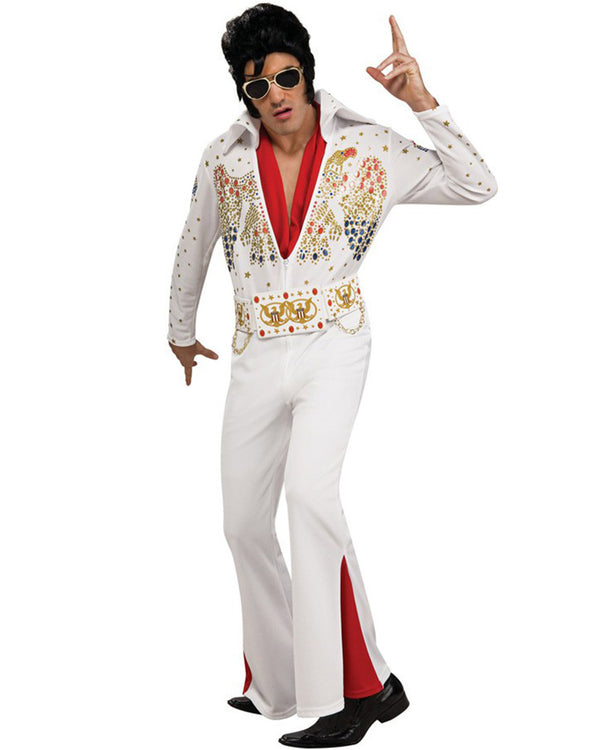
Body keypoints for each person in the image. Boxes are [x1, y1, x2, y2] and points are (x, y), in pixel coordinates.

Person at [167, 4, 498, 746]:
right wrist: (180, 332)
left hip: (333, 346)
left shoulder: (368, 147)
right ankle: (280, 681)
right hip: (255, 352)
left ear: (308, 73)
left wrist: (420, 102)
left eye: (286, 77)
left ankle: (360, 690)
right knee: (242, 523)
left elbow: (478, 185)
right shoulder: (224, 157)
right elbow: (194, 240)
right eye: (258, 86)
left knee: (311, 498)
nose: (277, 96)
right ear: (244, 94)